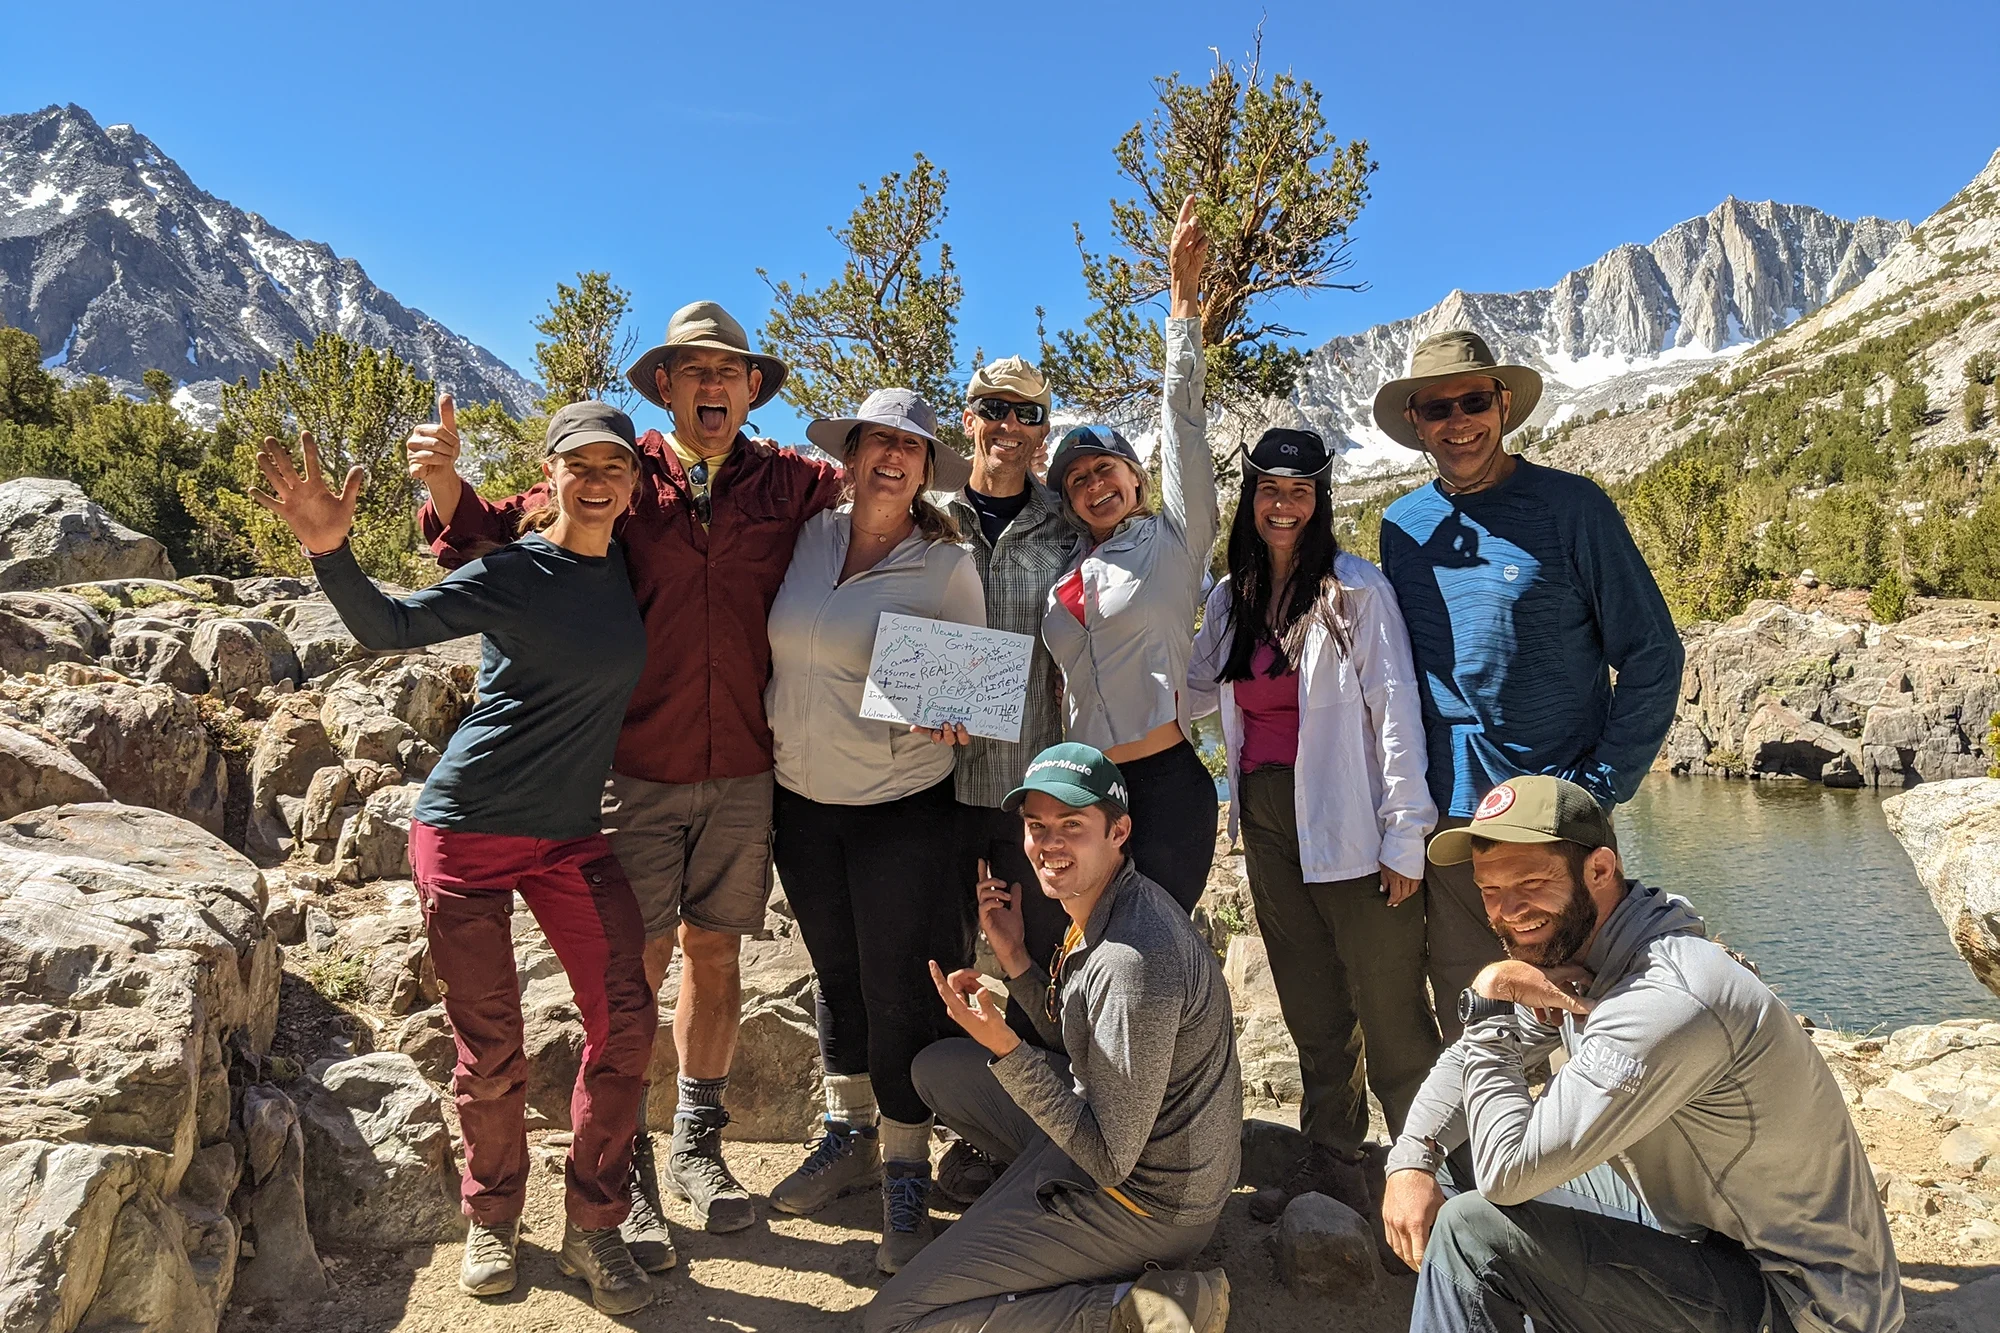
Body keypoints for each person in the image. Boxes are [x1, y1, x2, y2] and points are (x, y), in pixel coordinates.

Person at [408, 303, 843, 1257]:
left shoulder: (792, 483)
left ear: (754, 389)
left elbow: (884, 494)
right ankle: (629, 1169)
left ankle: (698, 1142)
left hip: (744, 768)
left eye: (730, 372)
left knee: (717, 956)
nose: (713, 386)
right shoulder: (618, 473)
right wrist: (444, 484)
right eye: (693, 372)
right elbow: (498, 533)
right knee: (633, 976)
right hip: (634, 768)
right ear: (665, 388)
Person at [254, 404, 658, 1314]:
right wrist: (329, 549)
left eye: (615, 466)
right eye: (578, 464)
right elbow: (390, 628)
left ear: (633, 484)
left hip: (569, 837)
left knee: (627, 1021)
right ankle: (494, 1213)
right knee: (491, 1043)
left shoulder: (633, 566)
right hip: (468, 829)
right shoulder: (515, 571)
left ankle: (596, 1223)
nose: (596, 481)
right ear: (547, 474)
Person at [1380, 775, 1904, 1333]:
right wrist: (1412, 1157)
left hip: (1800, 1302)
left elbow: (1509, 1171)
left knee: (1471, 1229)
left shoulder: (1665, 999)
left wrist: (1489, 1000)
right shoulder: (1595, 949)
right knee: (1457, 1171)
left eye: (1531, 882)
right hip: (1697, 1227)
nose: (1508, 911)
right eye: (1490, 890)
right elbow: (1470, 1069)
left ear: (1600, 871)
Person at [1373, 330, 1683, 1041]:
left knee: (1590, 1014)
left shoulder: (1575, 508)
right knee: (1475, 1017)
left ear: (1504, 405)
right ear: (1416, 422)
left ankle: (1598, 1155)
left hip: (1556, 819)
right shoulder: (1401, 527)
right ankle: (1489, 1156)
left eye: (1474, 401)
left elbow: (1654, 656)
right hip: (1452, 826)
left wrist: (1596, 787)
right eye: (1437, 408)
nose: (1459, 422)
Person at [867, 743, 1240, 1333]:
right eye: (1036, 827)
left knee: (896, 1319)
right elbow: (1079, 1049)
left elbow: (1107, 1159)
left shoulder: (1131, 960)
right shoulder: (1106, 904)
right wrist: (1014, 957)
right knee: (937, 1068)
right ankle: (1033, 1217)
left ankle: (1136, 1310)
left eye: (1072, 826)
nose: (1049, 845)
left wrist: (1008, 1050)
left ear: (1119, 831)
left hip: (1151, 1202)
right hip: (1133, 1149)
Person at [1186, 425, 1439, 1221]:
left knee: (1392, 1008)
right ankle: (1333, 1164)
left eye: (1300, 491)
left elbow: (1396, 712)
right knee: (1310, 1001)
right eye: (1270, 489)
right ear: (1251, 499)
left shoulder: (1355, 591)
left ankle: (1431, 1181)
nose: (1284, 505)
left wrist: (1407, 834)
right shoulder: (1231, 598)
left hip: (1352, 819)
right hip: (1264, 817)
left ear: (1320, 499)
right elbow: (1190, 689)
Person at [760, 388, 985, 1273]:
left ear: (928, 467)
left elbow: (968, 694)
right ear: (851, 454)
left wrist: (955, 707)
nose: (892, 458)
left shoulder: (946, 563)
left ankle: (903, 1162)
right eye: (878, 442)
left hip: (900, 807)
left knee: (899, 985)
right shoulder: (809, 538)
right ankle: (846, 1131)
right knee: (835, 969)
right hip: (800, 802)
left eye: (911, 447)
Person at [1041, 195, 1219, 914]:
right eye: (1077, 479)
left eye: (1104, 468)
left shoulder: (1176, 539)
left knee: (1162, 960)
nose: (1092, 482)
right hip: (1085, 792)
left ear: (1136, 478)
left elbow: (1182, 422)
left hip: (1166, 785)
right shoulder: (1067, 572)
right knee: (1094, 966)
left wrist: (1182, 307)